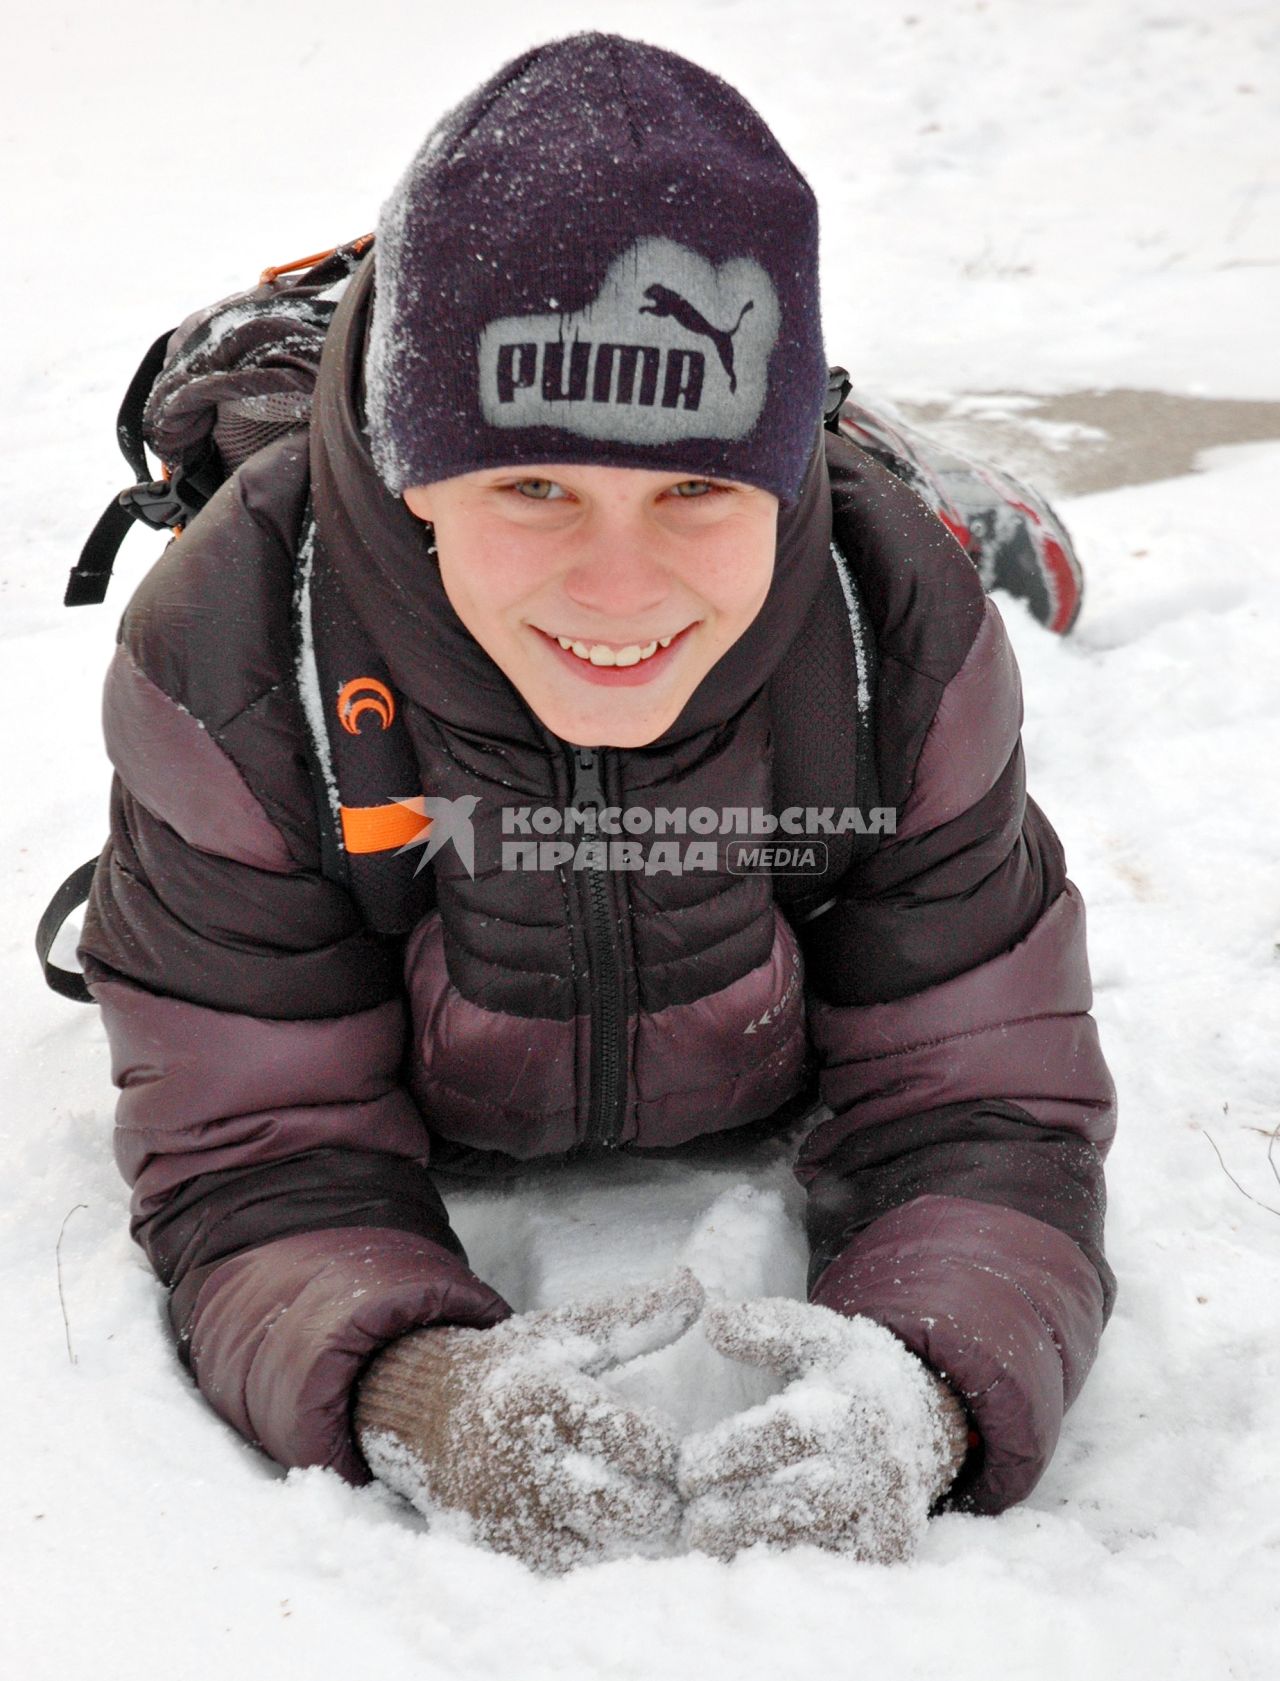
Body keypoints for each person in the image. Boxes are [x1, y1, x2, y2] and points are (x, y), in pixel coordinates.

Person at [75, 31, 1118, 1574]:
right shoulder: (232, 664)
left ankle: (901, 452)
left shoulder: (894, 633)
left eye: (697, 489)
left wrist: (936, 1378)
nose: (617, 588)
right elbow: (250, 1139)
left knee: (903, 519)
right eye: (532, 487)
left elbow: (987, 1096)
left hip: (840, 499)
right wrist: (401, 1378)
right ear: (416, 474)